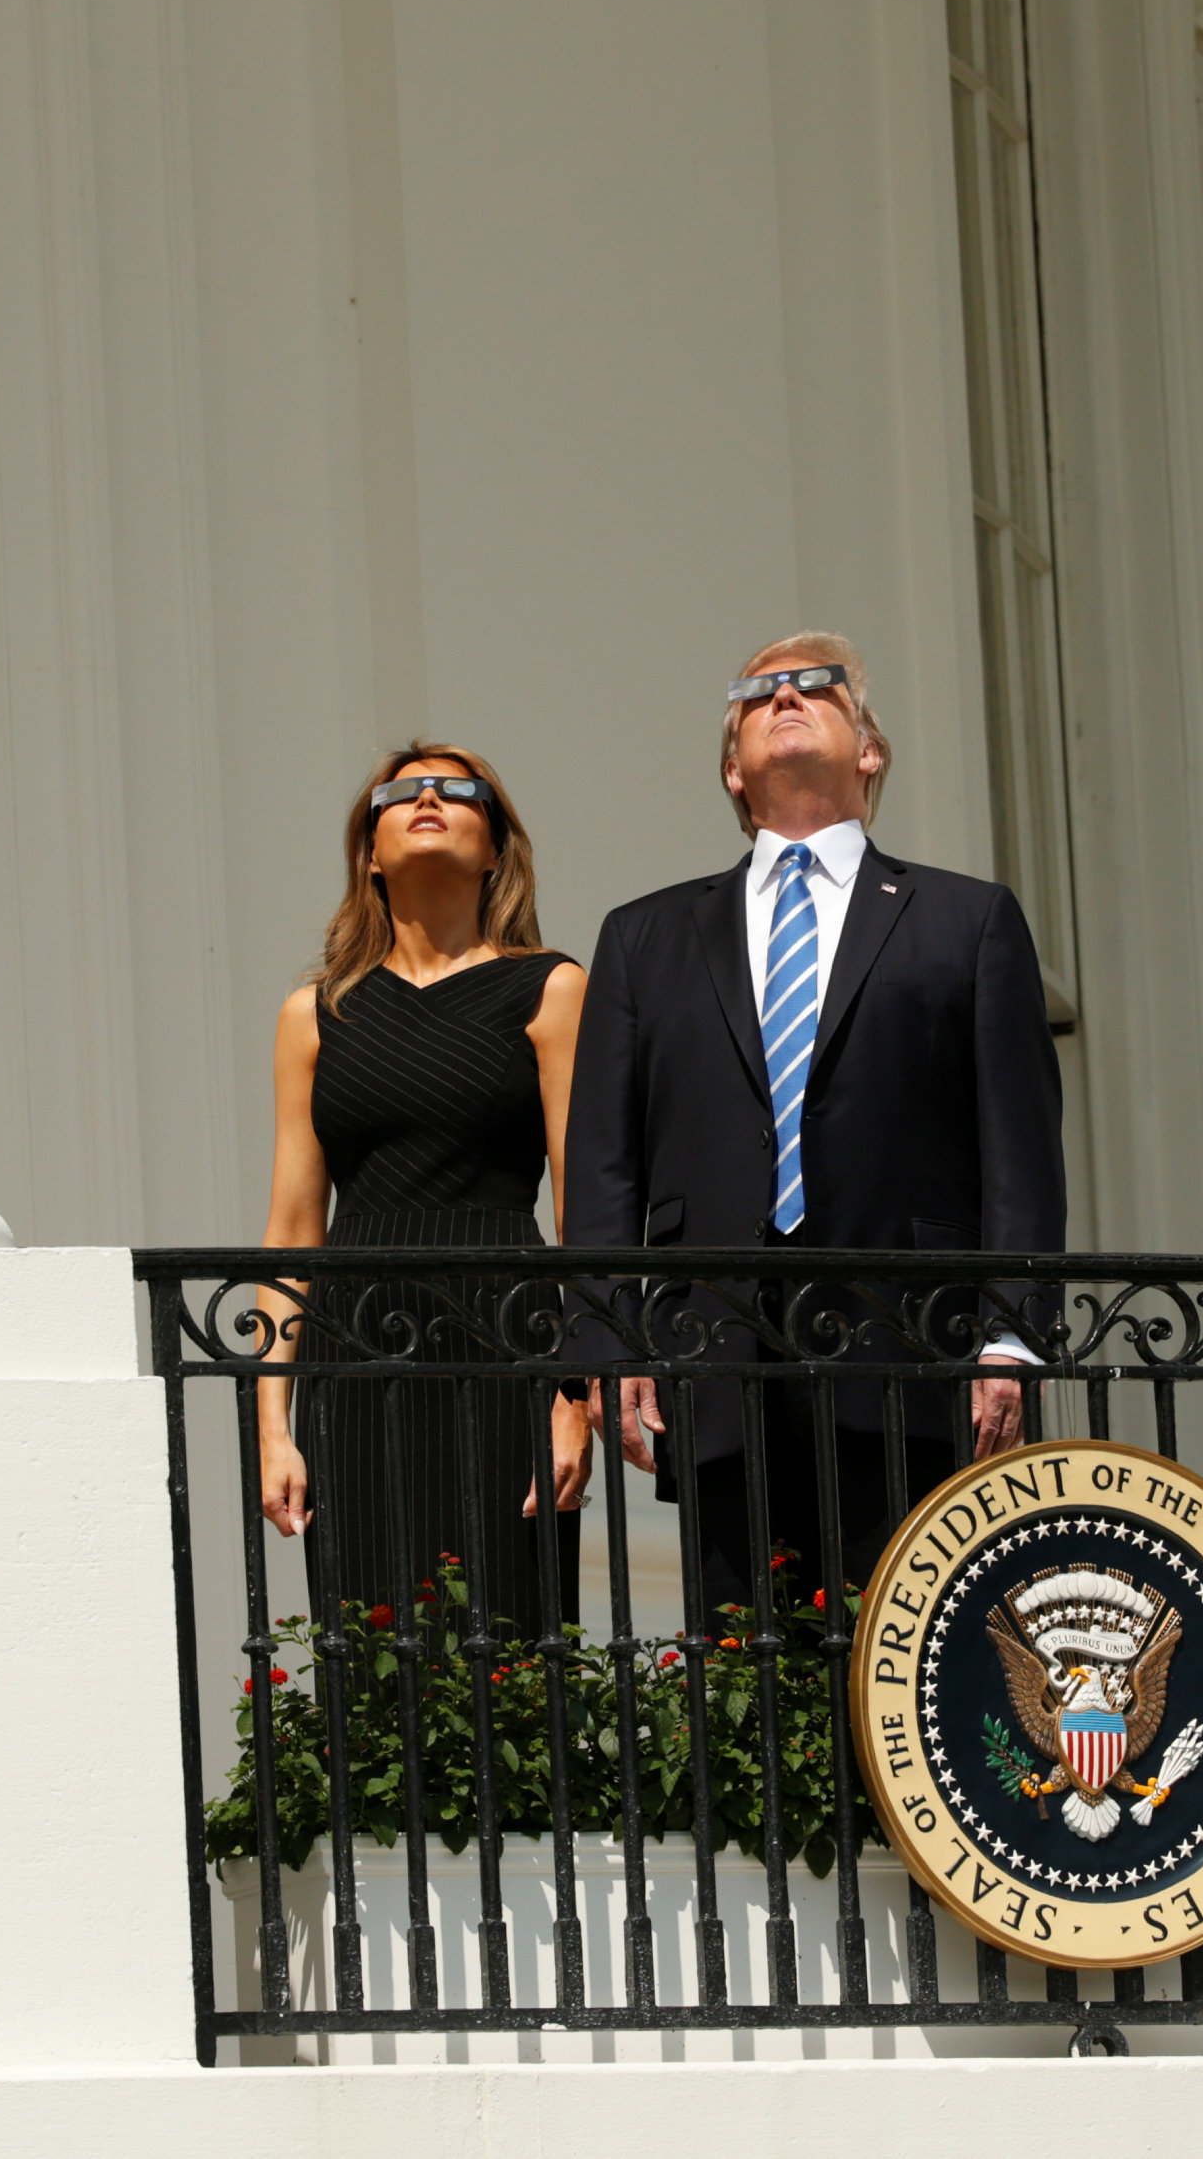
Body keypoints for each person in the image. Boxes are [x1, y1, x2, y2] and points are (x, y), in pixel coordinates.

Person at [562, 633, 1063, 1613]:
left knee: (910, 1679)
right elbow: (603, 1161)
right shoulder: (645, 936)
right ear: (729, 767)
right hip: (715, 1360)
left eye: (815, 686)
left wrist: (1009, 1336)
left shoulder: (966, 921)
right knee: (737, 1687)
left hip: (910, 1356)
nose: (785, 695)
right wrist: (608, 1338)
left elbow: (1019, 1148)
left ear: (868, 748)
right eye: (756, 692)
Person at [254, 744, 598, 1628]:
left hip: (505, 1332)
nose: (429, 799)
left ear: (495, 848)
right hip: (359, 1342)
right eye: (400, 794)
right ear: (370, 851)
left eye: (457, 790)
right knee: (369, 1641)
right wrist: (272, 1425)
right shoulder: (317, 1012)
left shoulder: (552, 989)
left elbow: (582, 1210)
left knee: (510, 1639)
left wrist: (574, 1401)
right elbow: (293, 1230)